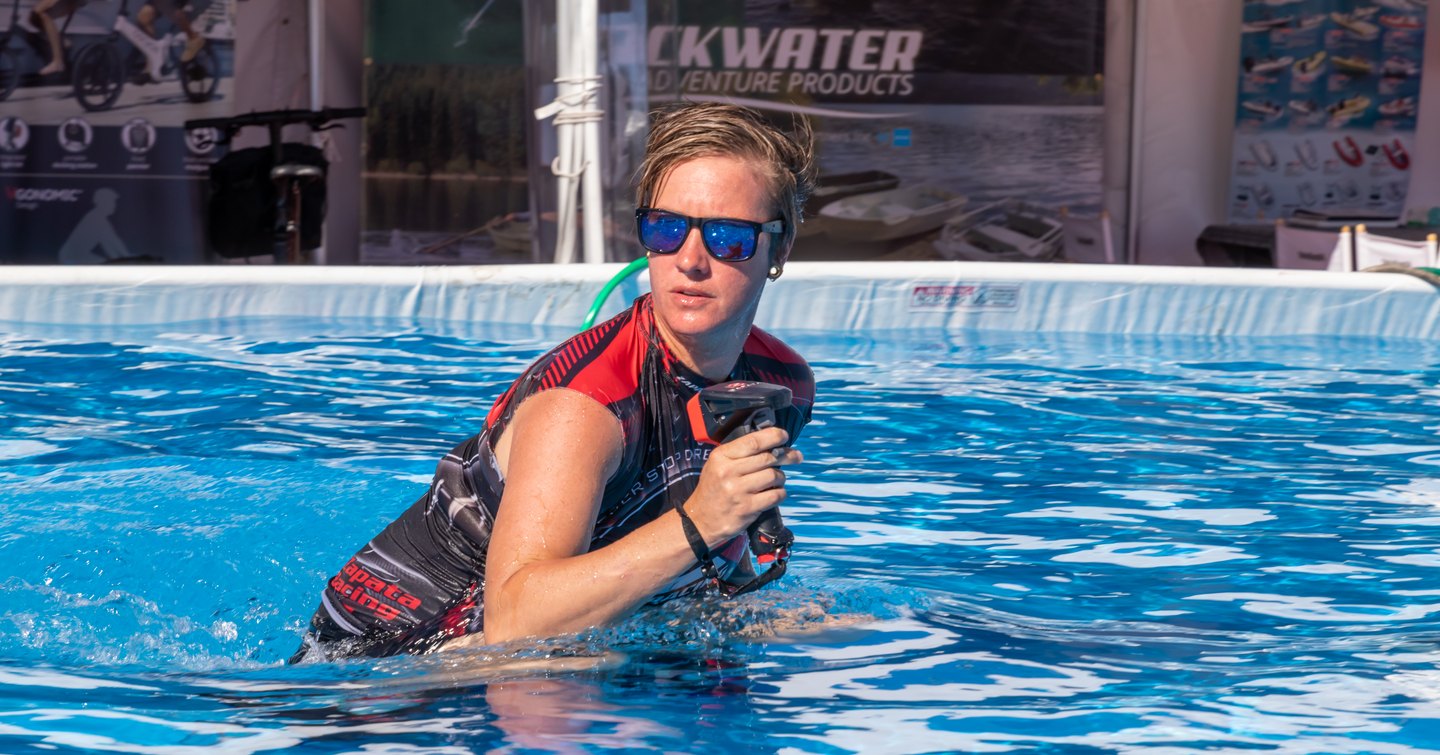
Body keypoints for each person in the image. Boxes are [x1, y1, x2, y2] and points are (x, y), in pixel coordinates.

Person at [290, 102, 818, 662]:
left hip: (538, 632)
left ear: (779, 248)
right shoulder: (585, 406)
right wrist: (702, 522)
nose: (689, 260)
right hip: (382, 662)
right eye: (666, 229)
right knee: (576, 670)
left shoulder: (780, 381)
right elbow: (519, 622)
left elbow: (712, 548)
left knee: (830, 630)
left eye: (727, 237)